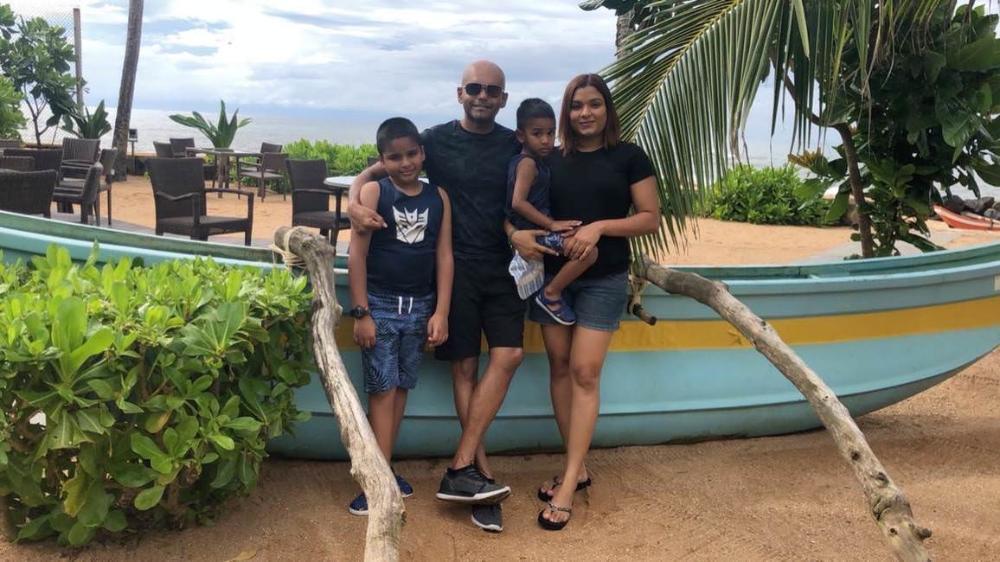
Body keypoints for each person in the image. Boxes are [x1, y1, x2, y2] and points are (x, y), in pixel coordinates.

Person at [349, 61, 536, 533]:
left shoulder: (515, 143)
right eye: (474, 88)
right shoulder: (431, 140)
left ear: (503, 99)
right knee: (465, 367)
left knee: (510, 354)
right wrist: (354, 201)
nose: (482, 96)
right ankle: (480, 475)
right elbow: (376, 170)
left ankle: (460, 465)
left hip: (504, 268)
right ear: (460, 93)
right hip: (456, 273)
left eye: (492, 90)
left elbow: (546, 179)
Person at [509, 73, 661, 531]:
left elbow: (650, 218)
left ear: (607, 109)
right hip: (553, 277)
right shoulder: (551, 159)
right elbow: (517, 206)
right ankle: (578, 465)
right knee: (559, 368)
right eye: (577, 105)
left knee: (584, 372)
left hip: (603, 280)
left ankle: (570, 480)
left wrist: (599, 228)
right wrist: (518, 235)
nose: (585, 113)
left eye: (594, 104)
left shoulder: (630, 157)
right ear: (566, 112)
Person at [346, 117, 453, 516]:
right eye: (395, 157)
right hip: (381, 306)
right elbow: (357, 255)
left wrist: (441, 311)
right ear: (381, 160)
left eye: (412, 154)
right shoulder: (375, 192)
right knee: (381, 390)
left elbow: (444, 255)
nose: (405, 163)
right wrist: (362, 313)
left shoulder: (438, 197)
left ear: (423, 154)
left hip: (419, 308)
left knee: (401, 387)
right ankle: (376, 480)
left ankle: (385, 466)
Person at [505, 98, 596, 324]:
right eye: (537, 134)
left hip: (534, 230)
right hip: (536, 233)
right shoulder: (527, 164)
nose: (546, 140)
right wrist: (551, 224)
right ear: (520, 136)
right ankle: (551, 293)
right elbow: (518, 202)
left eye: (550, 133)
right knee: (589, 253)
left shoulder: (530, 161)